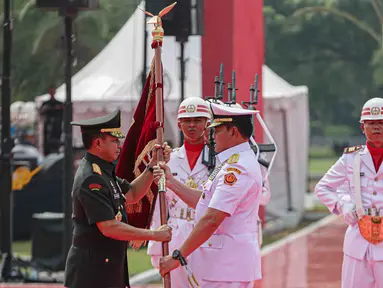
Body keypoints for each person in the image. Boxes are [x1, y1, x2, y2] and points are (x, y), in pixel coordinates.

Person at [156, 102, 263, 287]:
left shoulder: (237, 169)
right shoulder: (230, 162)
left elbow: (212, 218)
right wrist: (172, 183)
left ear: (233, 131)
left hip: (227, 265)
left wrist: (178, 255)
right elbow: (206, 202)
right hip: (221, 264)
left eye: (217, 130)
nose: (212, 136)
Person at [64, 109, 173, 288]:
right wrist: (154, 235)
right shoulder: (92, 178)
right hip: (92, 274)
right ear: (98, 143)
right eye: (114, 141)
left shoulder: (103, 171)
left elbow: (132, 194)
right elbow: (109, 227)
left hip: (106, 269)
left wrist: (152, 166)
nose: (119, 145)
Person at [315, 97, 383, 288]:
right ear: (363, 127)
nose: (377, 127)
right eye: (371, 123)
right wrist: (344, 204)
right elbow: (323, 187)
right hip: (358, 242)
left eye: (381, 123)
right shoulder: (351, 158)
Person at [147, 97, 212, 287]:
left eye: (198, 120)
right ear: (179, 123)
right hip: (176, 233)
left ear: (207, 123)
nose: (192, 125)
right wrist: (158, 245)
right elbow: (161, 205)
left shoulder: (217, 160)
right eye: (187, 121)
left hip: (206, 234)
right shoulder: (169, 160)